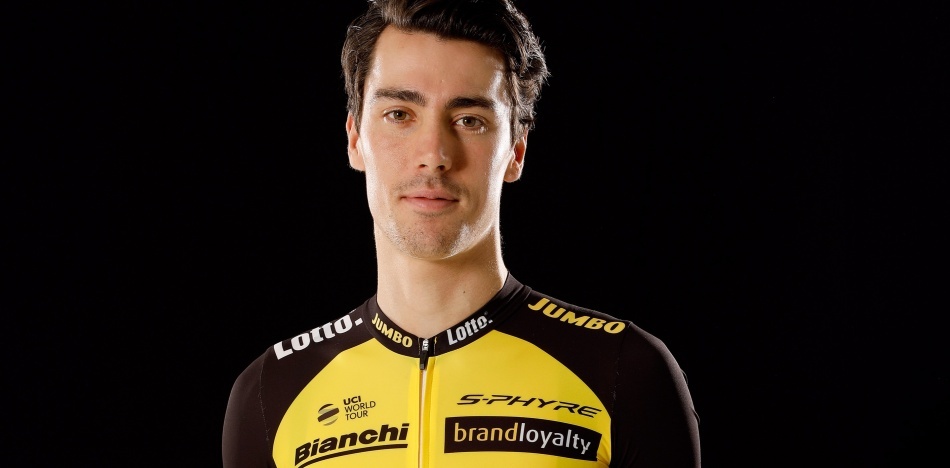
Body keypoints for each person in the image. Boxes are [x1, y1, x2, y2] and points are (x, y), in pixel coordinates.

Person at [222, 0, 701, 466]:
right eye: (399, 114)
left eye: (469, 120)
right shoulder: (272, 392)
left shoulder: (622, 371)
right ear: (354, 138)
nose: (434, 154)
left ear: (516, 150)